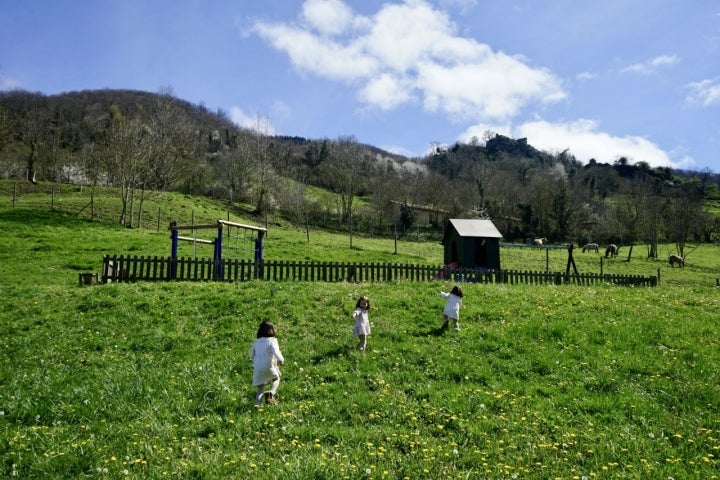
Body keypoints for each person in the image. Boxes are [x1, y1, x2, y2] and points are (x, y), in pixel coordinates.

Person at [249, 321, 285, 406]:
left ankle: (257, 405)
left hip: (258, 368)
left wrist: (257, 361)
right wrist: (281, 359)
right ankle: (271, 392)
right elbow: (276, 351)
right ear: (272, 330)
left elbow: (251, 355)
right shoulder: (272, 340)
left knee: (260, 388)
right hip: (269, 366)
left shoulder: (256, 342)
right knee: (277, 378)